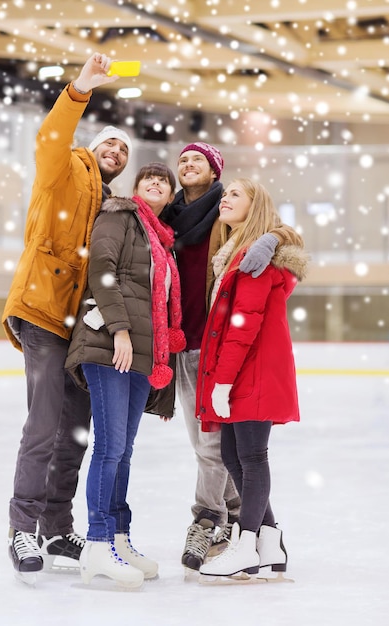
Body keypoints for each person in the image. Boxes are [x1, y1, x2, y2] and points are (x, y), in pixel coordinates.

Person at [1, 52, 133, 580]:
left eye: (124, 148)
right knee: (44, 422)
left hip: (81, 326)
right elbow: (51, 139)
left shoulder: (111, 204)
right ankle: (23, 528)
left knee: (75, 429)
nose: (117, 151)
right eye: (111, 142)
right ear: (93, 147)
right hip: (41, 309)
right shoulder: (66, 169)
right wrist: (79, 90)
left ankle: (57, 527)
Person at [161, 142, 302, 571]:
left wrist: (273, 237)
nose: (187, 165)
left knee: (235, 453)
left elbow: (278, 231)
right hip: (193, 349)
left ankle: (229, 530)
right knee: (226, 451)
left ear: (215, 171)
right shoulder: (169, 220)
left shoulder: (243, 243)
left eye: (198, 160)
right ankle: (264, 537)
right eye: (181, 159)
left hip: (230, 356)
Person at [65, 162, 185, 588]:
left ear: (170, 196)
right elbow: (102, 270)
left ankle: (117, 535)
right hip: (110, 344)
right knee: (111, 446)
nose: (156, 182)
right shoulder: (118, 216)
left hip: (143, 353)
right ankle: (97, 543)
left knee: (125, 449)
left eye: (164, 181)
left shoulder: (163, 241)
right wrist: (118, 330)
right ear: (135, 188)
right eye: (148, 178)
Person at [195, 178, 309, 579]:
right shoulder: (236, 254)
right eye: (225, 194)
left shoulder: (255, 259)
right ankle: (270, 539)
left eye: (235, 195)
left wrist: (222, 382)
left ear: (254, 205)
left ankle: (246, 544)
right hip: (244, 368)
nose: (225, 198)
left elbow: (243, 325)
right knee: (232, 455)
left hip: (253, 369)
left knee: (251, 456)